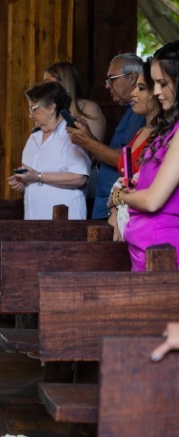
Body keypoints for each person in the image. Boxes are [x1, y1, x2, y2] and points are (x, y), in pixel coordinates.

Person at [114, 41, 179, 271]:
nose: (157, 91)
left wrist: (121, 196)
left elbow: (152, 201)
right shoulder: (168, 130)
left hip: (163, 252)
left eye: (163, 83)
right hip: (146, 247)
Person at [67, 53, 146, 219]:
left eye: (112, 79)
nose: (106, 85)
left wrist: (88, 142)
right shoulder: (130, 111)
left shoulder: (140, 113)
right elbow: (111, 154)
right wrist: (88, 136)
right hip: (108, 203)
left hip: (117, 207)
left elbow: (128, 160)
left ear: (132, 78)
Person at [8, 81, 90, 220]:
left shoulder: (72, 134)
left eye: (33, 109)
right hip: (33, 219)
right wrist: (23, 182)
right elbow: (32, 178)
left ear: (52, 107)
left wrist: (38, 176)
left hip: (66, 222)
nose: (30, 115)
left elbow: (79, 178)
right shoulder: (33, 138)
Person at [107, 61, 159, 241]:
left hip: (143, 226)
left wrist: (117, 198)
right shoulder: (139, 132)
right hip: (122, 220)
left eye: (141, 88)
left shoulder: (162, 139)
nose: (133, 93)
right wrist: (114, 210)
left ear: (157, 93)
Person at [44, 61, 107, 142]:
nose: (44, 88)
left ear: (65, 82)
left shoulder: (89, 107)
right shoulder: (49, 110)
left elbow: (96, 148)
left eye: (48, 83)